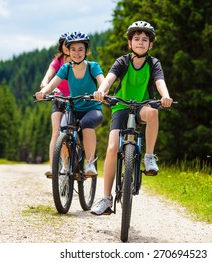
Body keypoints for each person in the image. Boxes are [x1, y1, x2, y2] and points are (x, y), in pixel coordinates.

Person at [91, 21, 173, 215]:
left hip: (142, 106)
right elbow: (109, 79)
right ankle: (106, 199)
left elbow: (159, 82)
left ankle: (149, 156)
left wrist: (165, 96)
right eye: (136, 39)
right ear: (129, 43)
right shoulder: (122, 61)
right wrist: (101, 91)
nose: (141, 43)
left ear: (150, 45)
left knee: (153, 112)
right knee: (112, 149)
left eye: (145, 40)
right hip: (121, 105)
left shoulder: (153, 63)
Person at [36, 31, 104, 176]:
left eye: (80, 49)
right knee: (63, 130)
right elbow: (52, 84)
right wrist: (44, 92)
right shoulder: (66, 68)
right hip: (73, 108)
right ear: (68, 51)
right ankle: (66, 165)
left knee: (87, 123)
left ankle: (90, 163)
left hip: (92, 109)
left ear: (86, 50)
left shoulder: (93, 67)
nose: (77, 53)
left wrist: (101, 92)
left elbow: (102, 82)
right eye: (73, 49)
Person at [40, 32, 71, 178]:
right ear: (61, 46)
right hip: (58, 99)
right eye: (65, 44)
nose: (67, 47)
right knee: (56, 132)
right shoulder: (58, 61)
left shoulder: (79, 60)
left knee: (71, 131)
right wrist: (45, 83)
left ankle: (72, 160)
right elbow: (49, 73)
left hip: (75, 100)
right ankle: (54, 167)